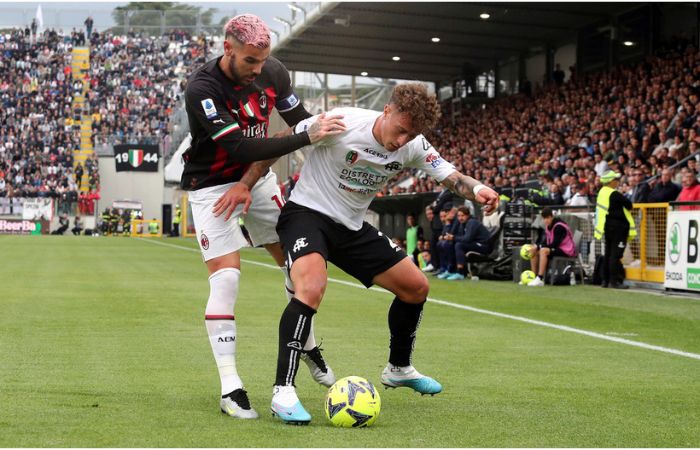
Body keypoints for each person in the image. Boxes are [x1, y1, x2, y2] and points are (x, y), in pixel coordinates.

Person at [263, 83, 499, 425]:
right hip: (306, 214)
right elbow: (281, 142)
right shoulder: (341, 122)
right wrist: (245, 183)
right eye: (401, 129)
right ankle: (282, 391)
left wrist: (477, 189)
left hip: (351, 227)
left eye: (411, 134)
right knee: (311, 287)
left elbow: (451, 176)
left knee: (416, 287)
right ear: (386, 111)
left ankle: (399, 368)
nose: (403, 141)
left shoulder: (414, 144)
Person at [180, 14, 344, 419]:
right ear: (228, 49)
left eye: (263, 60)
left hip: (257, 178)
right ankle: (230, 388)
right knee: (228, 277)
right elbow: (239, 147)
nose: (258, 70)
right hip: (211, 187)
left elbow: (298, 121)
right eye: (250, 61)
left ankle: (304, 345)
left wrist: (319, 134)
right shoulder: (202, 89)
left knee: (299, 267)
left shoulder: (274, 71)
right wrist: (307, 136)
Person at [594, 171, 637, 289]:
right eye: (616, 180)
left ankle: (605, 281)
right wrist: (623, 194)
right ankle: (614, 282)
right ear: (610, 181)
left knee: (608, 254)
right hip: (618, 228)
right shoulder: (614, 194)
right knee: (615, 255)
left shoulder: (602, 193)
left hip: (607, 227)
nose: (617, 182)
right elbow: (629, 205)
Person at [525, 207, 577, 286]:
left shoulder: (559, 226)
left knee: (543, 251)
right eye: (544, 218)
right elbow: (546, 242)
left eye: (547, 218)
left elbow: (554, 245)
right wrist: (536, 247)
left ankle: (540, 278)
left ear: (551, 217)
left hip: (567, 251)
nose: (545, 220)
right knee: (534, 251)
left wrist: (539, 247)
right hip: (557, 249)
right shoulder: (548, 226)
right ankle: (533, 277)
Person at [448, 206, 493, 281]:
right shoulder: (463, 223)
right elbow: (461, 237)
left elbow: (467, 238)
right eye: (458, 216)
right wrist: (452, 238)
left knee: (459, 245)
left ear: (467, 215)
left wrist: (454, 237)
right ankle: (451, 270)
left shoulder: (472, 222)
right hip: (475, 244)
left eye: (462, 215)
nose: (460, 218)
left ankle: (460, 273)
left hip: (484, 246)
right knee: (452, 244)